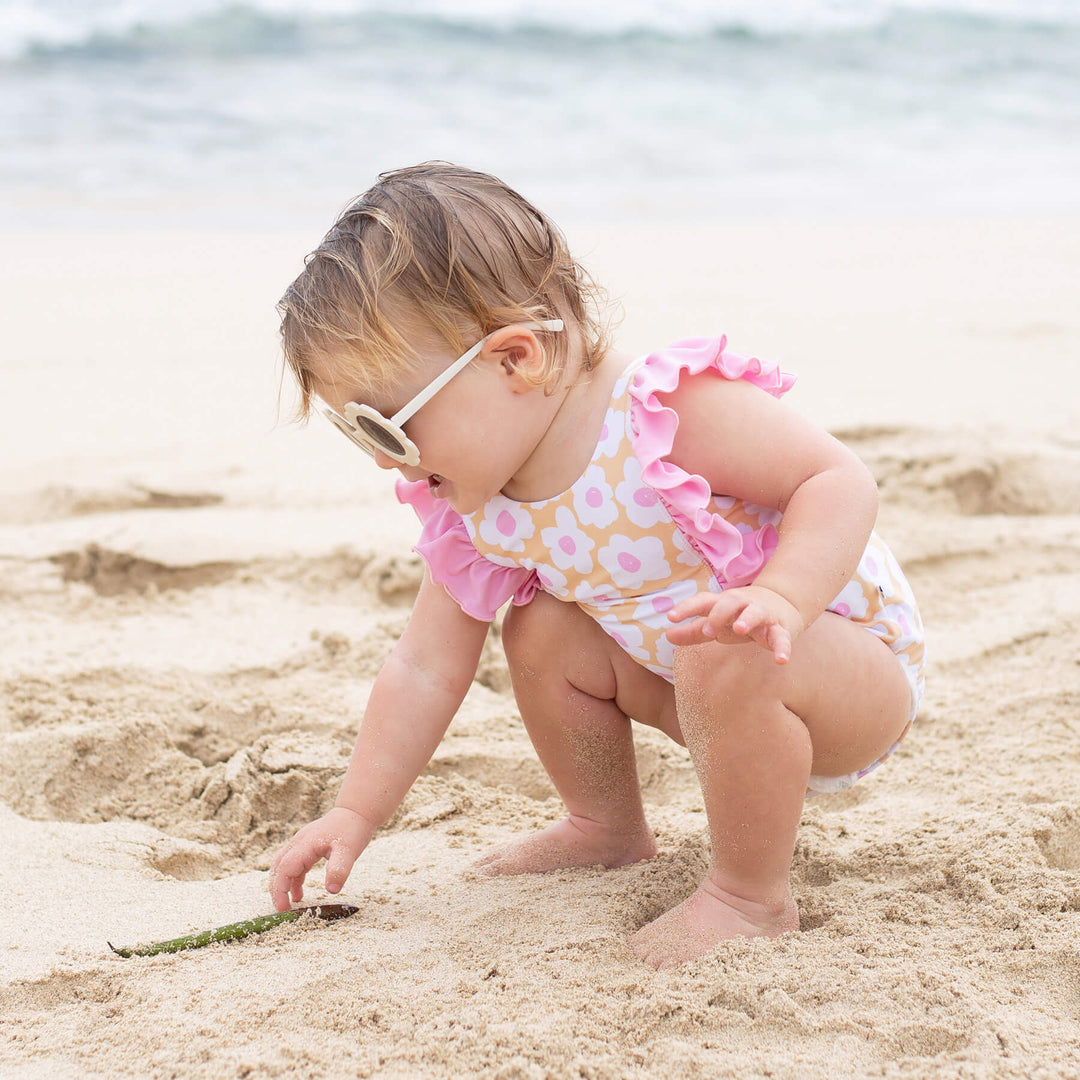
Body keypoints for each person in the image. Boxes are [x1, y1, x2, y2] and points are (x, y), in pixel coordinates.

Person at [267, 162, 925, 969]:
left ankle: (749, 896)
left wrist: (782, 597)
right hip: (701, 687)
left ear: (515, 360)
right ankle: (605, 826)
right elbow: (423, 666)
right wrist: (354, 813)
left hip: (836, 662)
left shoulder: (661, 416)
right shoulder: (477, 505)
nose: (382, 462)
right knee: (541, 627)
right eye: (357, 435)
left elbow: (838, 480)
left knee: (723, 645)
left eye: (387, 428)